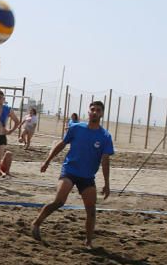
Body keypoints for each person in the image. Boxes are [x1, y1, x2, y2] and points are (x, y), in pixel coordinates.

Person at [31, 100, 114, 248]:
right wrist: (47, 161)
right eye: (92, 109)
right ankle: (37, 223)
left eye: (98, 110)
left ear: (102, 114)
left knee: (91, 209)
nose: (94, 112)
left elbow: (105, 162)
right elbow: (62, 144)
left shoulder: (105, 136)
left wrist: (107, 184)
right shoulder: (76, 128)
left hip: (87, 176)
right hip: (70, 171)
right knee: (59, 201)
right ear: (88, 112)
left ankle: (88, 242)